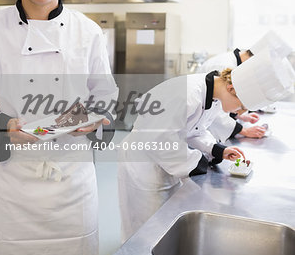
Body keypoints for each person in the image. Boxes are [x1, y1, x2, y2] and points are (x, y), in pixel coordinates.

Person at [0, 0, 118, 255]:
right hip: (10, 188)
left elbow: (106, 100)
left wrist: (95, 119)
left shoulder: (87, 32)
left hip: (71, 185)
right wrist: (4, 126)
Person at [118, 49, 294, 241]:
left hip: (165, 164)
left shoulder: (212, 96)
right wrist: (198, 163)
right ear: (232, 89)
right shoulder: (188, 95)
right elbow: (160, 140)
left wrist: (216, 149)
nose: (239, 111)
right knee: (145, 230)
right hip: (144, 166)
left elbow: (194, 130)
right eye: (241, 105)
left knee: (162, 225)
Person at [198, 31, 293, 141]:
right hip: (200, 130)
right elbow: (216, 113)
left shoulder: (236, 66)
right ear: (256, 61)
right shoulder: (224, 65)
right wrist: (244, 131)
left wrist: (240, 115)